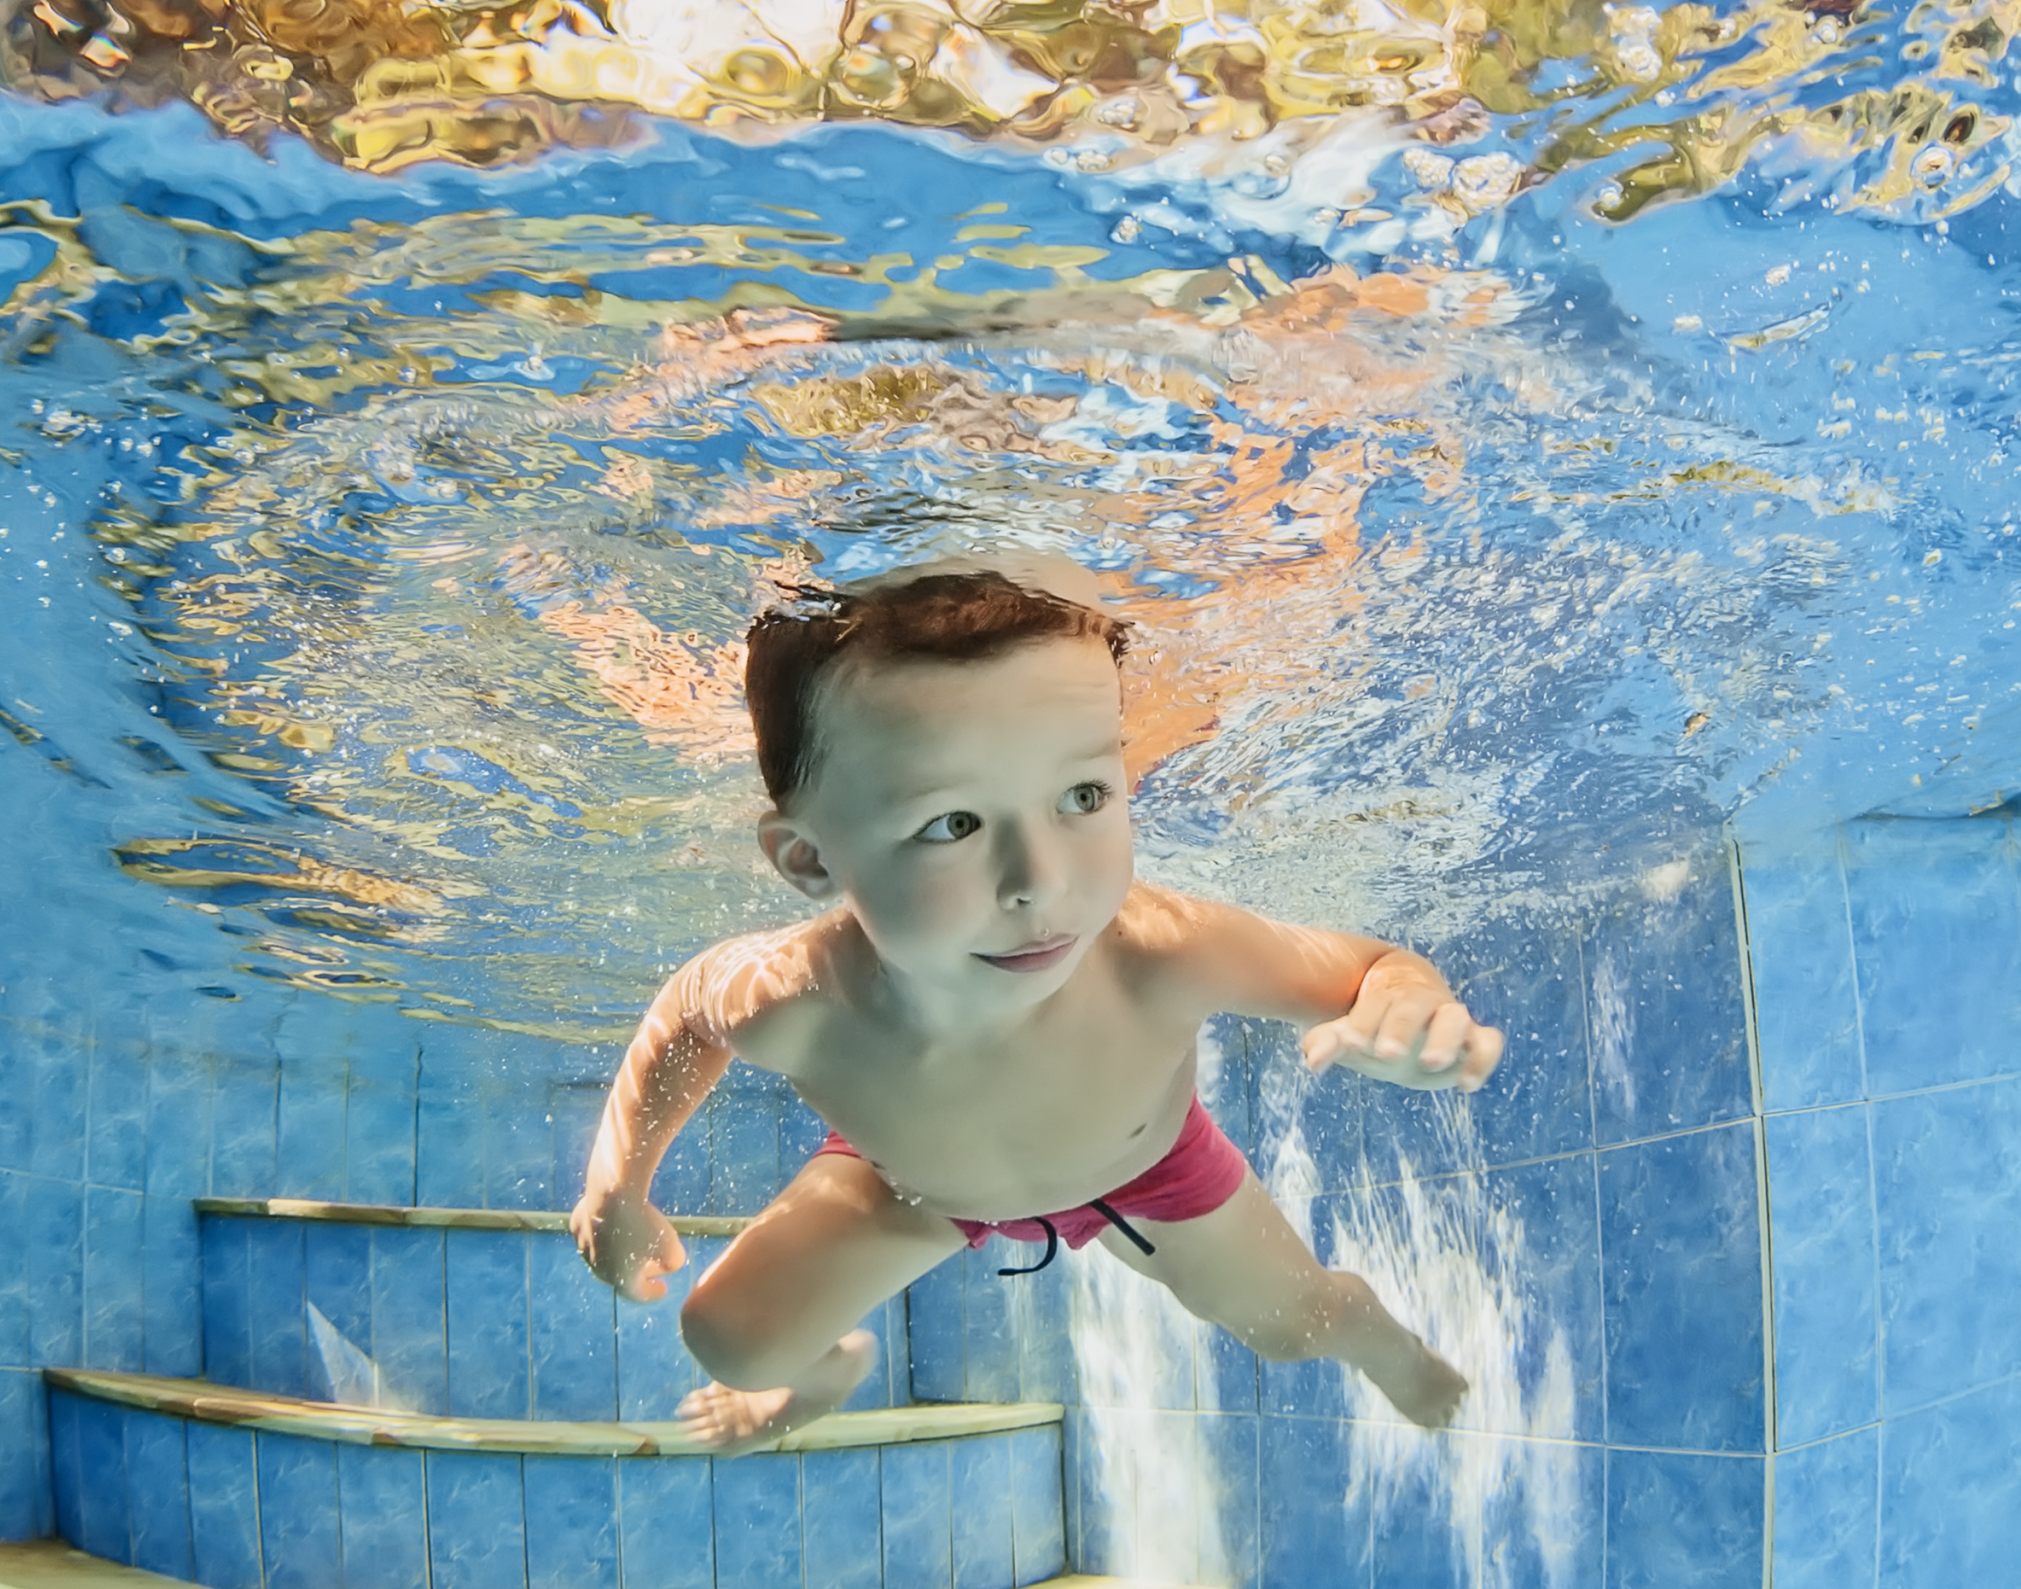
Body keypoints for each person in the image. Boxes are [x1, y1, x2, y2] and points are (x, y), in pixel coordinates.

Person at [569, 557, 1505, 1451]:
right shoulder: (801, 1000)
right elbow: (688, 1012)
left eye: (1084, 794)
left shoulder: (1160, 950)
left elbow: (1374, 966)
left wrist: (1407, 1004)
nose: (1040, 880)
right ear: (811, 861)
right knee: (730, 1339)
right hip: (913, 1182)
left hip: (1150, 1169)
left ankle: (1383, 1340)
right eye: (952, 824)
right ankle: (817, 1382)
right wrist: (617, 1187)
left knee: (1294, 1328)